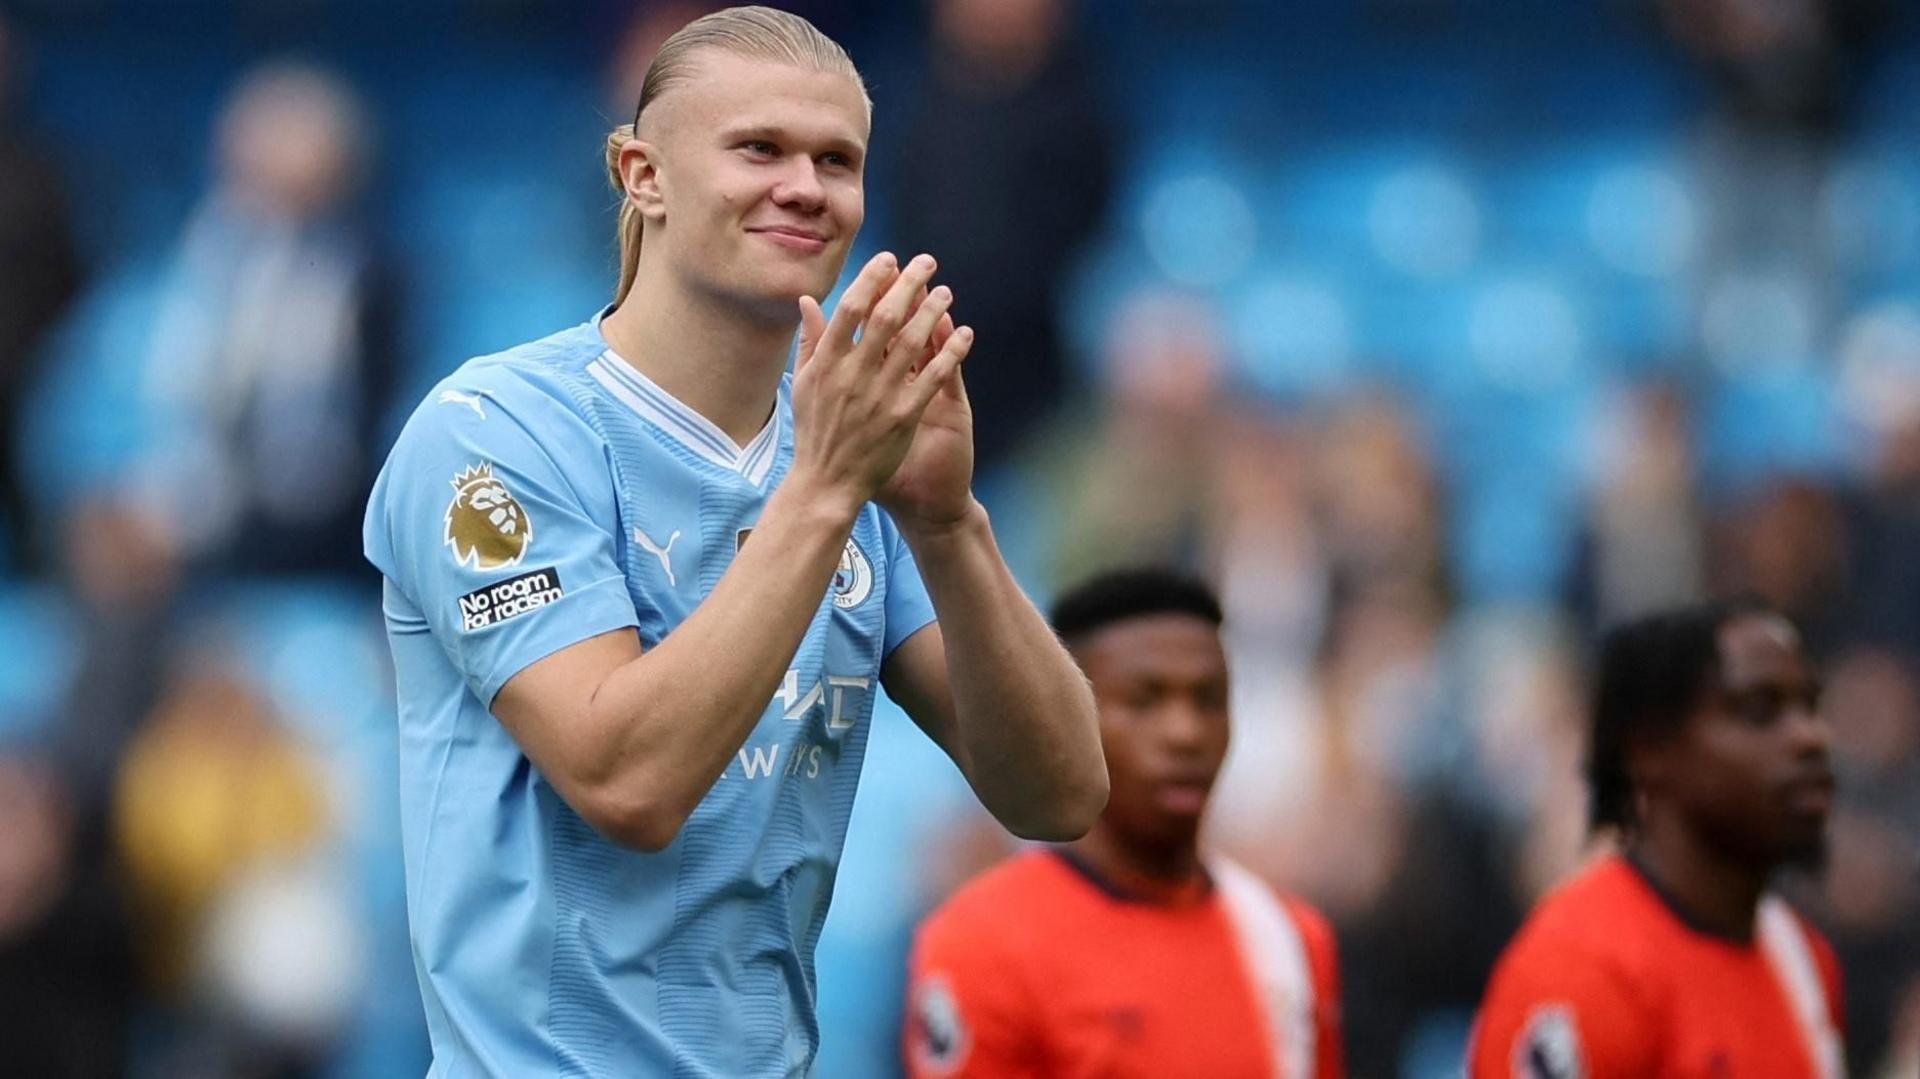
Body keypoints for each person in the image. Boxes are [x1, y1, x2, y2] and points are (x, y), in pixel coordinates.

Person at [361, 7, 1107, 1076]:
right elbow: (629, 782)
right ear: (642, 173)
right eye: (759, 147)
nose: (805, 185)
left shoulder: (843, 450)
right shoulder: (492, 436)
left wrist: (949, 522)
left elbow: (1061, 792)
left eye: (837, 159)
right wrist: (829, 486)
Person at [904, 568, 1344, 1078]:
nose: (1185, 733)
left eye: (1208, 701)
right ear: (1068, 717)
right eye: (1144, 700)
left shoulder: (1288, 937)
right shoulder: (982, 942)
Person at [1469, 598, 1845, 1078]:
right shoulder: (1581, 971)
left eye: (1810, 707)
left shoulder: (1803, 959)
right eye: (1759, 710)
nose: (1811, 738)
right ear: (1649, 751)